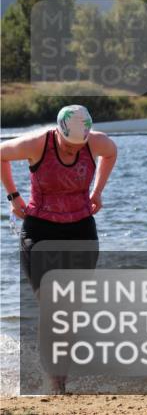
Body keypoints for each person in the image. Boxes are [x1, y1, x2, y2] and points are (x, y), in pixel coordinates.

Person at [1, 105, 117, 394]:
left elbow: (111, 152)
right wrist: (14, 196)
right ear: (58, 132)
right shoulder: (37, 144)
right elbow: (1, 154)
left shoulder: (96, 142)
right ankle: (54, 384)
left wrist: (97, 191)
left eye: (78, 145)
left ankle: (59, 382)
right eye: (68, 145)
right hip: (40, 232)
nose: (73, 150)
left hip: (81, 231)